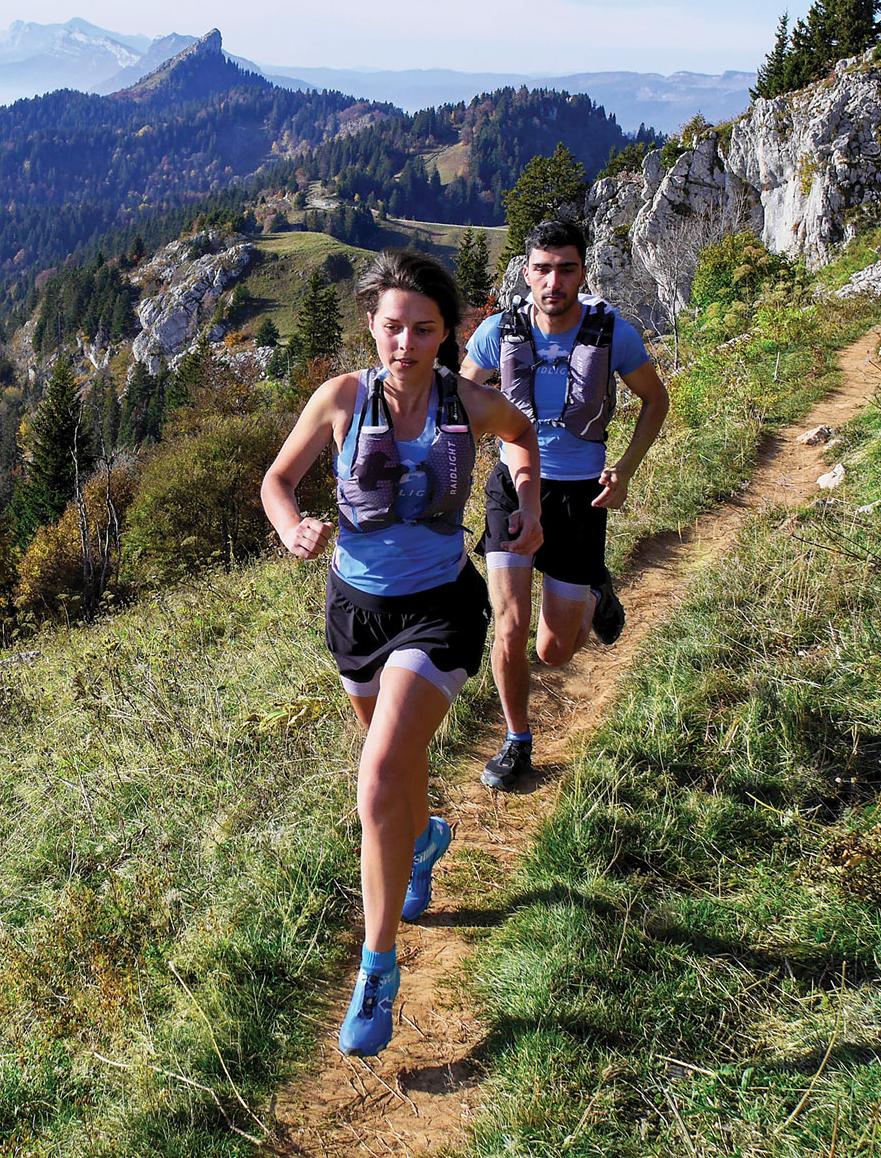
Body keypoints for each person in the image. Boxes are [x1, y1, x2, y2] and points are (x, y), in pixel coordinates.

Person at [262, 250, 541, 1059]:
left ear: (447, 332)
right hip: (354, 613)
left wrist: (526, 499)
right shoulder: (341, 398)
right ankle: (422, 840)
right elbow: (277, 480)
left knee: (380, 772)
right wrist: (294, 527)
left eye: (424, 328)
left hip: (439, 609)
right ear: (371, 326)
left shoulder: (469, 401)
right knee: (395, 779)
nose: (406, 343)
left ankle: (376, 972)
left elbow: (520, 435)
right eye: (392, 326)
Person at [461, 217, 669, 789]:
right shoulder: (496, 332)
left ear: (582, 271)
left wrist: (623, 471)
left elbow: (656, 400)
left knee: (554, 651)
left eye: (566, 269)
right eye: (543, 269)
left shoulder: (613, 333)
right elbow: (456, 407)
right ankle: (516, 742)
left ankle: (595, 588)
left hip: (581, 494)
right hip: (512, 485)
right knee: (510, 626)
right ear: (526, 272)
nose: (553, 281)